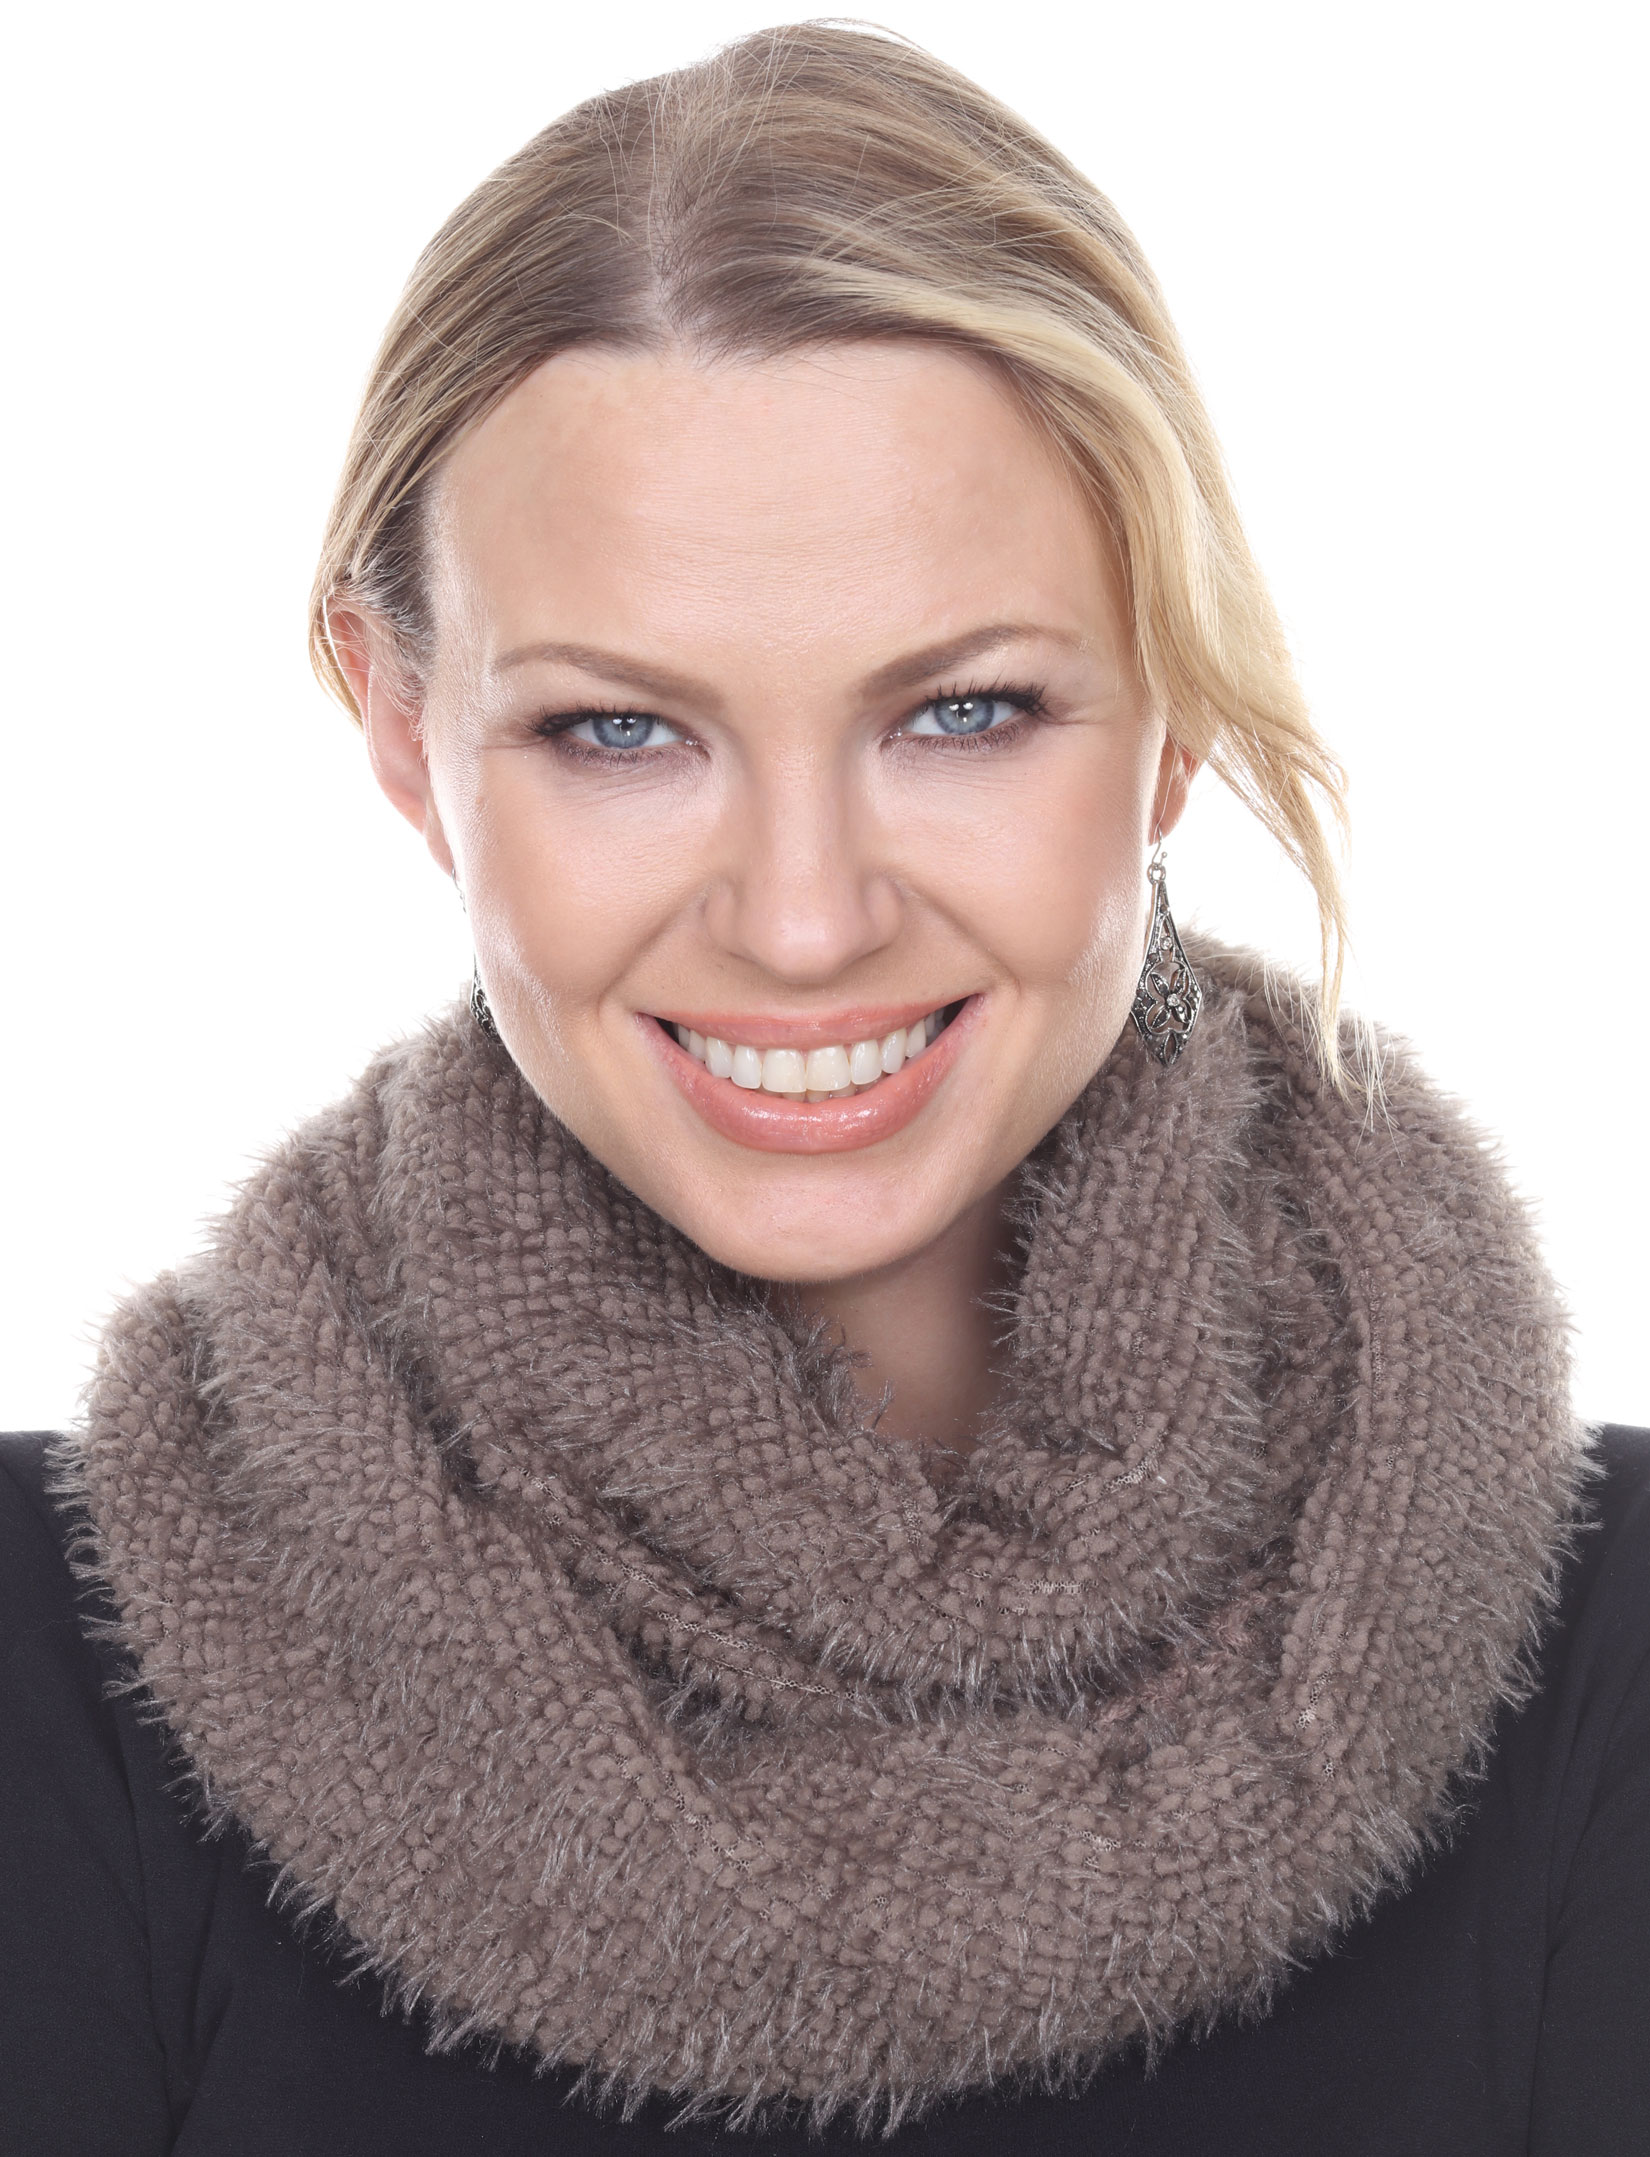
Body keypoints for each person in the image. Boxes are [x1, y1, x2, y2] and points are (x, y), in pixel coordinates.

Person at [2, 23, 1645, 2154]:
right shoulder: (58, 1663)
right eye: (618, 730)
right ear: (399, 721)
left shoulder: (1605, 1654)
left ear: (1172, 709)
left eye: (963, 712)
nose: (800, 920)